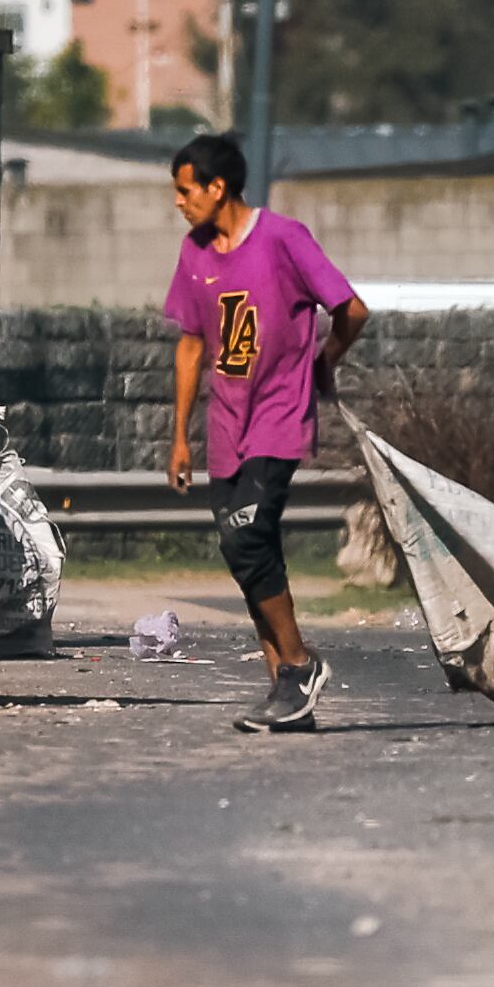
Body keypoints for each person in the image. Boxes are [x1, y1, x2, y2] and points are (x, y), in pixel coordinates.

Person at [161, 131, 369, 732]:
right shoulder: (196, 252)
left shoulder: (283, 238)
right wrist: (179, 436)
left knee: (248, 535)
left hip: (279, 413)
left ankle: (299, 665)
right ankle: (286, 692)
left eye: (185, 190)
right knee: (242, 548)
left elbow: (351, 310)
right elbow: (191, 346)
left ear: (216, 186)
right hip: (226, 423)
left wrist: (326, 359)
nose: (179, 202)